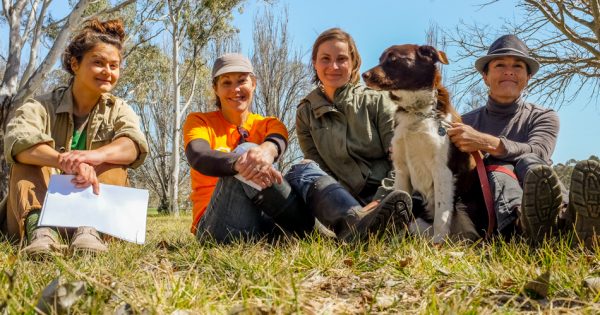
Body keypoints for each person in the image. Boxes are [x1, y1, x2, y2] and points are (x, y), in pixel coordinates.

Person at [0, 19, 148, 255]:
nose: (107, 72)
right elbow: (17, 142)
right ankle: (39, 231)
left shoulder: (119, 109)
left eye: (114, 65)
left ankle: (90, 231)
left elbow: (132, 146)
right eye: (98, 63)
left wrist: (93, 156)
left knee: (112, 162)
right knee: (26, 161)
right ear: (75, 64)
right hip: (39, 207)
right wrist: (64, 160)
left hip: (95, 215)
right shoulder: (38, 106)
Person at [447, 34, 600, 246]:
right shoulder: (463, 122)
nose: (509, 70)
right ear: (485, 76)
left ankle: (568, 218)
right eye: (500, 64)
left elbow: (538, 151)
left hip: (531, 176)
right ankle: (522, 224)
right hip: (487, 209)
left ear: (528, 77)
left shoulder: (544, 116)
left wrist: (485, 142)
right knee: (497, 167)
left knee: (531, 162)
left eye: (518, 66)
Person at [285, 28, 413, 241]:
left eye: (342, 59)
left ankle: (365, 225)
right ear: (315, 63)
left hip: (384, 194)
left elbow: (402, 160)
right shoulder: (305, 112)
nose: (333, 66)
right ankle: (354, 224)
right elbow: (318, 171)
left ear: (353, 63)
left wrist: (380, 200)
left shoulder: (378, 101)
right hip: (337, 200)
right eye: (325, 59)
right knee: (301, 170)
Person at [183, 53, 314, 243]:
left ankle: (325, 226)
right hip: (215, 225)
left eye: (242, 80)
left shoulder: (269, 123)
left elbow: (277, 141)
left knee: (304, 169)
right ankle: (309, 229)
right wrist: (239, 163)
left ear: (253, 83)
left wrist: (265, 153)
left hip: (263, 218)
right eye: (226, 83)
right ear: (215, 89)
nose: (235, 89)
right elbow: (198, 156)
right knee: (246, 151)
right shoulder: (199, 121)